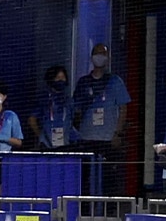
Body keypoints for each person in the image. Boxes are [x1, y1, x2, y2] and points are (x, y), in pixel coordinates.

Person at [71, 43, 130, 190]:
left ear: (108, 58)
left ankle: (108, 210)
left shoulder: (115, 81)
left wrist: (118, 133)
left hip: (108, 139)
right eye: (97, 54)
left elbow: (123, 108)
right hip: (87, 138)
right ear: (91, 57)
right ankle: (84, 209)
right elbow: (76, 110)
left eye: (103, 54)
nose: (100, 57)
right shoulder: (83, 83)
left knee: (108, 177)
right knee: (85, 177)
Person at [33, 64, 71, 150]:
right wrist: (41, 136)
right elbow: (32, 119)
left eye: (63, 77)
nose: (61, 80)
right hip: (46, 145)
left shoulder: (69, 100)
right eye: (58, 77)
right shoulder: (43, 99)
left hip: (65, 144)